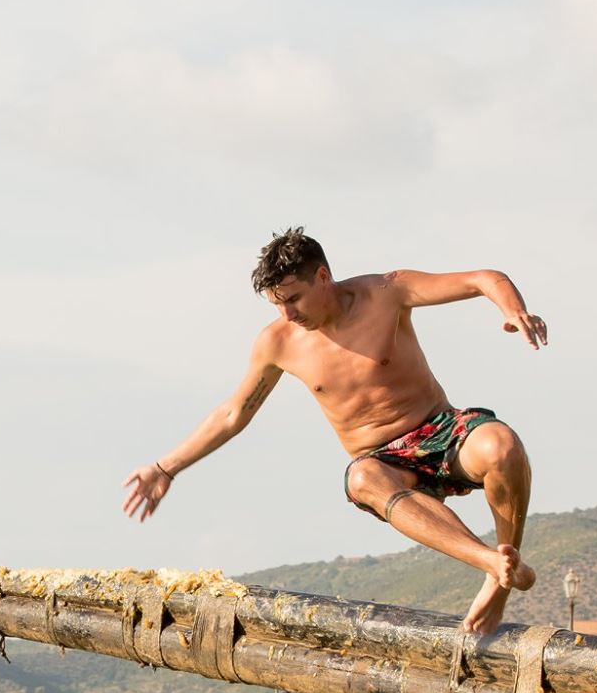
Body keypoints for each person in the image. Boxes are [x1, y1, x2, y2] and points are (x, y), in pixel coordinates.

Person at [121, 227, 546, 633]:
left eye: (293, 299)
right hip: (383, 462)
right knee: (361, 478)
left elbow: (485, 278)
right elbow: (234, 412)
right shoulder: (277, 342)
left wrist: (513, 310)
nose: (287, 314)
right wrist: (165, 467)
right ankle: (490, 562)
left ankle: (500, 571)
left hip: (440, 430)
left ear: (323, 277)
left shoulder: (385, 292)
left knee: (501, 445)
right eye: (276, 304)